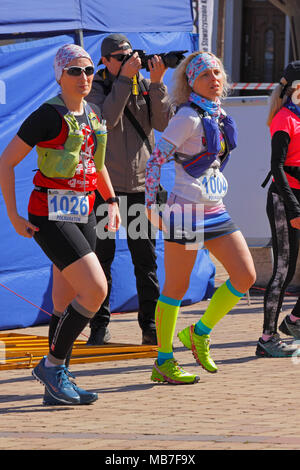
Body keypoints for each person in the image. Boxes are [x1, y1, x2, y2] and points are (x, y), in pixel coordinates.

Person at [0, 44, 121, 405]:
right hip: (49, 214)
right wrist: (14, 215)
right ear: (59, 75)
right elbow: (5, 162)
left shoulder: (94, 113)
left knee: (63, 299)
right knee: (95, 290)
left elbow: (96, 165)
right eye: (75, 71)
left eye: (88, 71)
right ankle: (52, 366)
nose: (83, 77)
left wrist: (111, 201)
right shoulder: (46, 116)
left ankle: (57, 384)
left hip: (81, 210)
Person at [144, 51, 256, 384]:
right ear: (191, 81)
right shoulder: (188, 117)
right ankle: (163, 361)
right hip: (187, 215)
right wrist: (153, 206)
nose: (215, 79)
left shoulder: (218, 114)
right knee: (175, 288)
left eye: (218, 72)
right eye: (206, 74)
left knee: (245, 276)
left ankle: (199, 332)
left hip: (215, 211)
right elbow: (155, 160)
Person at [86, 33, 174, 346]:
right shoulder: (96, 86)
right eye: (119, 58)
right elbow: (105, 121)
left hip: (140, 189)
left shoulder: (144, 85)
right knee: (101, 259)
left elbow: (163, 124)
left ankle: (150, 327)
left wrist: (157, 82)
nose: (128, 63)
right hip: (105, 190)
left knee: (145, 261)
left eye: (129, 57)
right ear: (106, 61)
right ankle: (99, 327)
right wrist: (123, 80)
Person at [256, 61, 300, 358]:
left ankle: (294, 321)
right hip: (286, 200)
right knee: (283, 269)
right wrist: (293, 206)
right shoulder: (284, 119)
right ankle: (267, 338)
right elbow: (278, 167)